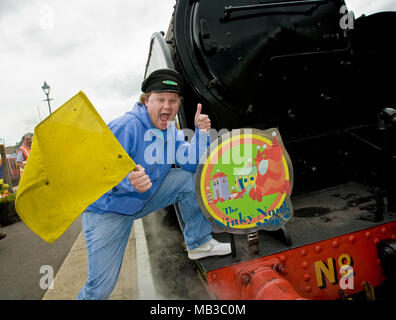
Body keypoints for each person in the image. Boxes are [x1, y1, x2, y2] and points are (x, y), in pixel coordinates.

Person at [77, 69, 231, 300]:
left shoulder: (171, 130)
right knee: (100, 288)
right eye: (160, 99)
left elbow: (190, 165)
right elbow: (94, 173)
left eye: (172, 100)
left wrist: (200, 133)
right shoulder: (125, 126)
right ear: (146, 100)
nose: (167, 107)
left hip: (143, 199)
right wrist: (127, 181)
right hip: (108, 211)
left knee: (189, 180)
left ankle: (198, 242)